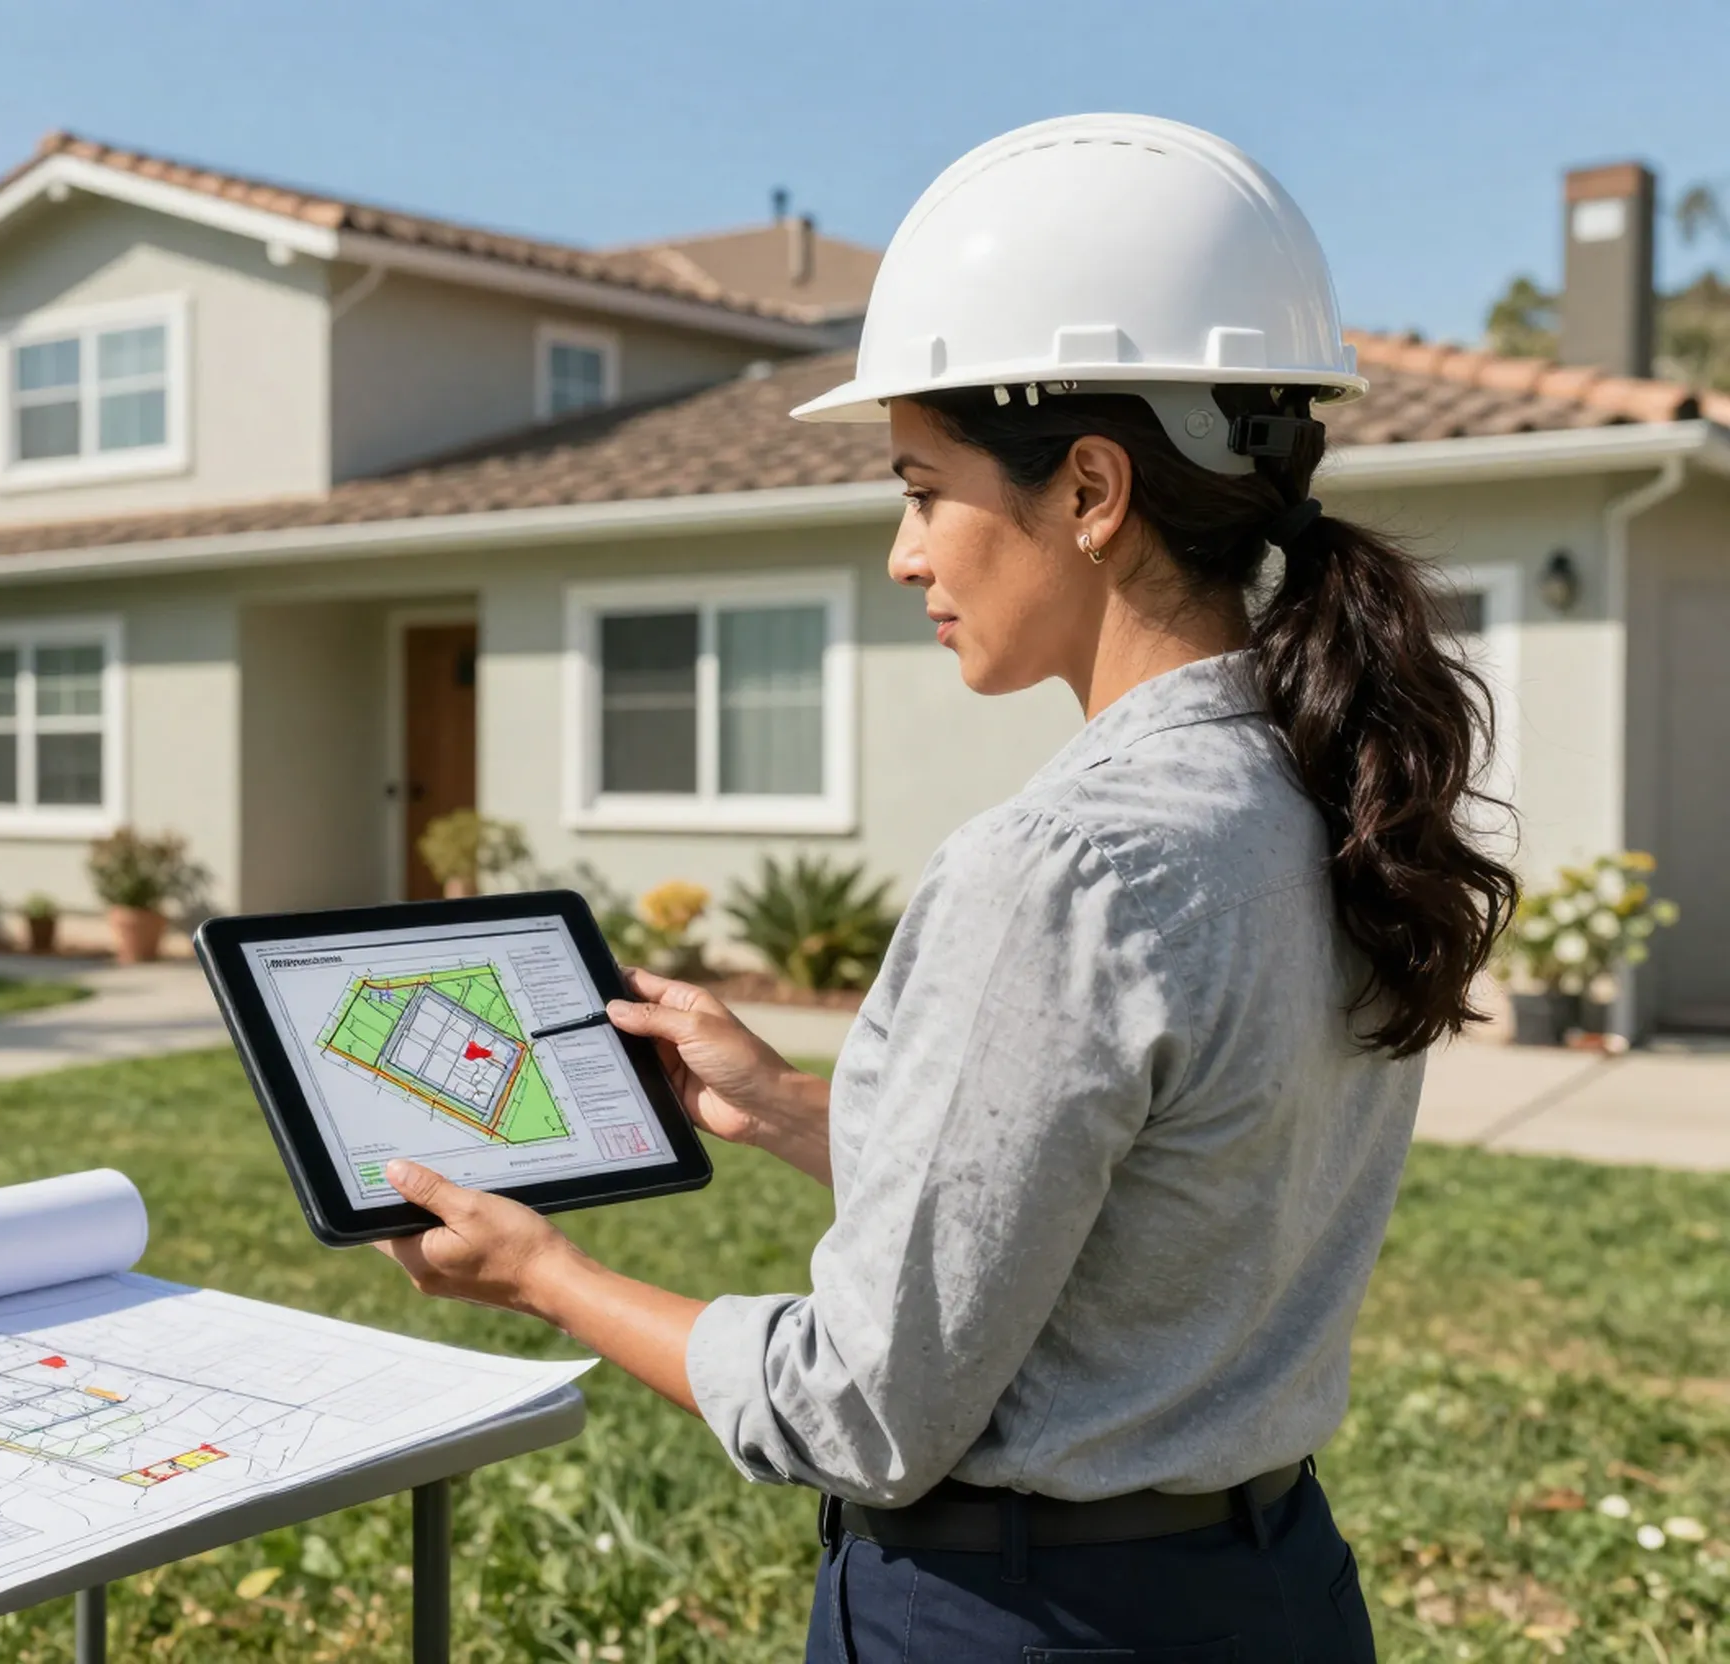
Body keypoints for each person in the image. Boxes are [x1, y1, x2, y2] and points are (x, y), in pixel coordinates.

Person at [369, 114, 1518, 1660]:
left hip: (1020, 1617)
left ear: (1094, 490)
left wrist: (544, 1275)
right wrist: (779, 1103)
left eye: (923, 487)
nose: (906, 552)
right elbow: (1115, 1218)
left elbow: (862, 1407)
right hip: (1276, 1591)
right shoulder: (1325, 790)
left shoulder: (1061, 867)